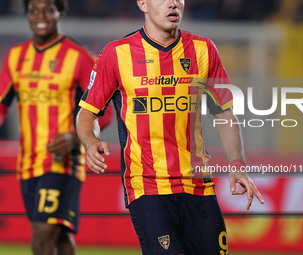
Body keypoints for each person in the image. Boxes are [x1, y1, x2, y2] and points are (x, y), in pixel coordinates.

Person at [76, 0, 264, 254]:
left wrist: (237, 162)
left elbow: (223, 113)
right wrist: (91, 142)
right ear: (142, 3)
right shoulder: (117, 53)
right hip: (148, 185)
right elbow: (87, 114)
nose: (173, 3)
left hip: (198, 183)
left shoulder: (204, 50)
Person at [0, 0, 113, 254]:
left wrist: (75, 137)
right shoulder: (15, 56)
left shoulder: (79, 57)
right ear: (27, 15)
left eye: (48, 9)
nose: (40, 15)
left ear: (60, 13)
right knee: (59, 236)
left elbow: (103, 113)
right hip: (27, 163)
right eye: (34, 10)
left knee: (41, 236)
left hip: (62, 161)